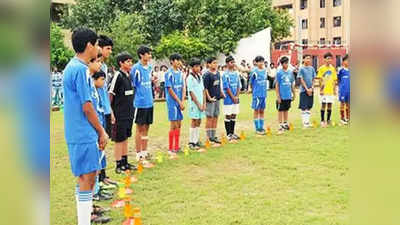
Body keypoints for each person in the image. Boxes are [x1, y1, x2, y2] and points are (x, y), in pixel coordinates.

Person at [63, 27, 109, 225]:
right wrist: (101, 131)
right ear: (89, 45)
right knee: (88, 179)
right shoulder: (80, 70)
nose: (97, 49)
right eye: (97, 44)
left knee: (85, 177)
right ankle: (84, 221)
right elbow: (87, 106)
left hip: (77, 132)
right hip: (83, 132)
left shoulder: (72, 67)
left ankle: (86, 216)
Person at [109, 52, 136, 174]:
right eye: (128, 61)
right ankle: (118, 164)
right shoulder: (117, 76)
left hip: (129, 113)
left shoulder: (128, 76)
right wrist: (111, 112)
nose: (130, 64)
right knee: (119, 139)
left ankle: (125, 162)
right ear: (121, 63)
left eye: (131, 61)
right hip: (119, 114)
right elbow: (111, 94)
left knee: (125, 138)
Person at [97, 34, 118, 187]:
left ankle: (103, 175)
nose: (110, 52)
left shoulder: (104, 67)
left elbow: (104, 91)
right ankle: (98, 178)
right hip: (97, 110)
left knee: (105, 142)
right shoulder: (93, 66)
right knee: (99, 144)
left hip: (105, 109)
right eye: (108, 48)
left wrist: (110, 110)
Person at [130, 45, 155, 167]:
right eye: (148, 54)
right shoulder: (135, 68)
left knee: (147, 127)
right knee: (139, 128)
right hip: (140, 103)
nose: (150, 56)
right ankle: (138, 154)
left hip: (149, 102)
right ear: (141, 55)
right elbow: (133, 85)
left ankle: (145, 152)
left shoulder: (149, 68)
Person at [164, 53, 186, 159]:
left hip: (179, 102)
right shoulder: (168, 73)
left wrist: (182, 100)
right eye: (176, 60)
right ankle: (170, 147)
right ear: (172, 61)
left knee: (179, 124)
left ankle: (177, 146)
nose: (178, 62)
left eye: (179, 60)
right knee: (173, 125)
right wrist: (178, 101)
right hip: (172, 103)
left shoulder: (181, 73)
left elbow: (183, 88)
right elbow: (170, 89)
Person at [203, 57, 225, 146]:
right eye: (213, 63)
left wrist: (221, 93)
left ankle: (213, 135)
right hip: (210, 100)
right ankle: (209, 137)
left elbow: (219, 85)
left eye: (216, 63)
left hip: (217, 98)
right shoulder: (207, 75)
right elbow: (205, 88)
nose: (215, 65)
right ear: (208, 64)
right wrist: (209, 98)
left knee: (215, 116)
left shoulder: (218, 73)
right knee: (209, 117)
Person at [187, 58, 206, 151]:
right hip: (194, 104)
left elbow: (203, 90)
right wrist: (198, 104)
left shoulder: (200, 77)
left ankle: (196, 140)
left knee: (199, 121)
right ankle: (191, 142)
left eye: (199, 66)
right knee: (194, 121)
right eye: (196, 66)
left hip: (201, 103)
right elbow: (191, 92)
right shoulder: (189, 78)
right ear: (191, 67)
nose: (198, 68)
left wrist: (204, 103)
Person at [222, 56, 241, 141]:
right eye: (231, 62)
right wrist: (233, 97)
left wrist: (237, 96)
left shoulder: (236, 73)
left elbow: (238, 85)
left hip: (235, 98)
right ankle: (228, 134)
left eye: (233, 62)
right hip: (228, 99)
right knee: (228, 115)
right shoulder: (225, 74)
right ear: (227, 64)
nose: (233, 64)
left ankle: (232, 133)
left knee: (234, 114)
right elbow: (226, 87)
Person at [316, 52, 338, 127]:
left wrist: (334, 90)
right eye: (328, 58)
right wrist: (321, 90)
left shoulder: (332, 68)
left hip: (330, 90)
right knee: (323, 105)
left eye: (330, 59)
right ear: (324, 59)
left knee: (330, 105)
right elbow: (319, 80)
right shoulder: (321, 68)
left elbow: (335, 80)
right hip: (324, 90)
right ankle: (322, 120)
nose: (329, 60)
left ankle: (328, 120)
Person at [276, 56, 295, 134]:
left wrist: (293, 93)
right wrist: (278, 96)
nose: (286, 64)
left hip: (288, 95)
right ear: (282, 64)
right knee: (280, 110)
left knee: (286, 109)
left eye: (287, 63)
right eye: (285, 63)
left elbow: (291, 84)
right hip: (281, 95)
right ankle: (280, 124)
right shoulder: (279, 72)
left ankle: (285, 123)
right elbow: (277, 85)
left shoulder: (290, 72)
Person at [249, 56, 268, 135]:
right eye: (259, 62)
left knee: (262, 110)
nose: (261, 63)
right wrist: (252, 90)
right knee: (256, 110)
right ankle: (257, 128)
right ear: (256, 63)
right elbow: (251, 82)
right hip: (257, 94)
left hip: (263, 94)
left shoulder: (265, 71)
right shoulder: (254, 71)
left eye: (262, 61)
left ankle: (261, 127)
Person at [298, 55, 316, 128]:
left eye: (309, 58)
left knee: (309, 106)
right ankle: (304, 123)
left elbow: (313, 79)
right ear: (303, 59)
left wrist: (312, 87)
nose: (308, 60)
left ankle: (307, 122)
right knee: (304, 107)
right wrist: (307, 89)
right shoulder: (301, 69)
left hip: (311, 90)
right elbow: (301, 79)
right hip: (303, 90)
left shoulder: (312, 68)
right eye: (307, 58)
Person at [338, 54, 350, 124]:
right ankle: (342, 119)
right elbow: (338, 80)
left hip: (350, 90)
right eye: (347, 60)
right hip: (343, 90)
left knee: (349, 105)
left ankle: (348, 118)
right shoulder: (341, 70)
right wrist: (340, 88)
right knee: (342, 104)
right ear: (343, 62)